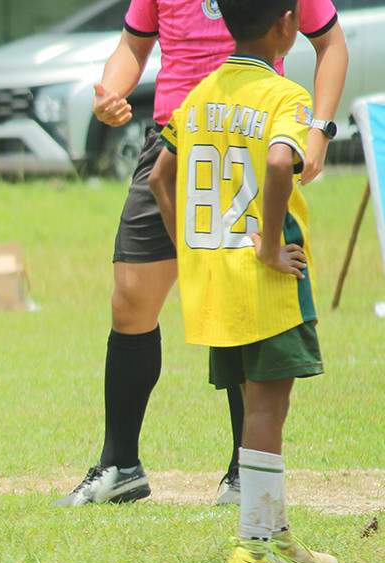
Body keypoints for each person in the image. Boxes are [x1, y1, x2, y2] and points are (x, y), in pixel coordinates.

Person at [53, 0, 348, 508]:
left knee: (245, 300)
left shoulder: (282, 78)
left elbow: (331, 44)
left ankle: (243, 472)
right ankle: (120, 465)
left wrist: (319, 129)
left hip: (248, 142)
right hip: (176, 138)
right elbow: (132, 46)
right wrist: (111, 94)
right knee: (130, 300)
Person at [148, 0, 338, 563]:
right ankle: (254, 548)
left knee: (262, 409)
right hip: (267, 283)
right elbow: (281, 164)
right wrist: (269, 246)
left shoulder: (200, 95)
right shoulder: (285, 96)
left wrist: (189, 247)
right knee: (266, 410)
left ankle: (278, 538)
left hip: (218, 282)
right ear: (287, 24)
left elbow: (159, 177)